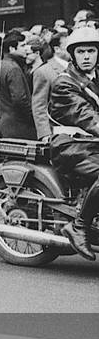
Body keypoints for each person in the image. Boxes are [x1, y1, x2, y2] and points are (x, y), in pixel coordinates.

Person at [48, 27, 99, 258]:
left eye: (91, 50)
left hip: (92, 143)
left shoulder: (95, 79)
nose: (87, 56)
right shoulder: (64, 84)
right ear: (73, 54)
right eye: (81, 51)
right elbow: (87, 117)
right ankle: (79, 226)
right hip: (71, 146)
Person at [0, 31, 36, 140]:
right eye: (23, 45)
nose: (27, 48)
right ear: (12, 48)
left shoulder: (1, 65)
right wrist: (32, 118)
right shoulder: (13, 68)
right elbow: (20, 99)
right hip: (20, 125)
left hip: (6, 123)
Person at [31, 30, 70, 139]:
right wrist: (45, 134)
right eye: (68, 46)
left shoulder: (76, 69)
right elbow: (39, 105)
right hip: (56, 131)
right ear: (57, 49)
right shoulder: (44, 71)